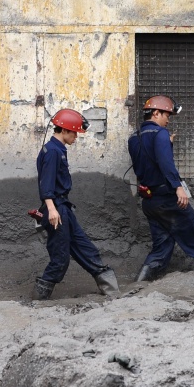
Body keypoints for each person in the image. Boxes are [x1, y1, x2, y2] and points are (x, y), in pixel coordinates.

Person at [128, 95, 194, 281]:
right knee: (193, 234)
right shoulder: (160, 134)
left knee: (162, 244)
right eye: (166, 115)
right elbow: (164, 163)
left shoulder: (133, 138)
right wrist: (178, 187)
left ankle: (141, 282)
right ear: (155, 113)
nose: (168, 119)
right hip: (167, 198)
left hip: (149, 201)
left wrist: (166, 144)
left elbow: (146, 163)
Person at [33, 109, 119, 300]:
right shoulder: (53, 152)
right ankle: (40, 297)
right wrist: (52, 209)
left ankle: (110, 287)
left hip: (63, 208)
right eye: (74, 133)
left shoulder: (56, 149)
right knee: (60, 258)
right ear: (64, 130)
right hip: (56, 209)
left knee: (84, 246)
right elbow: (46, 184)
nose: (75, 137)